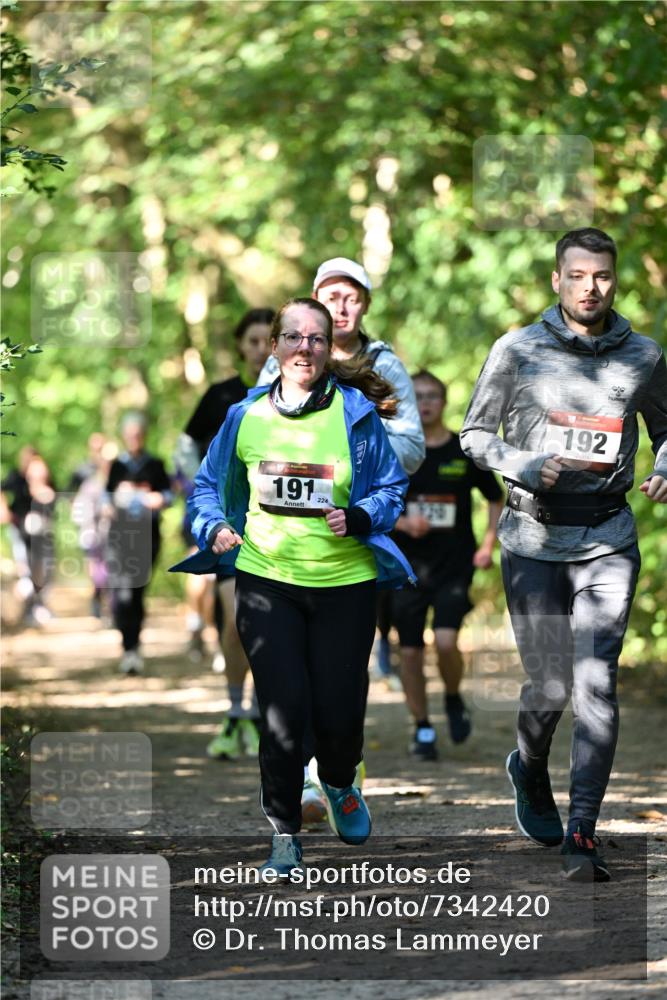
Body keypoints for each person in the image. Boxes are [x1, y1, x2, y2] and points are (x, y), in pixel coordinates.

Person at [173, 297, 414, 875]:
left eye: (316, 338)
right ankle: (284, 832)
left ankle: (339, 781)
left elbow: (391, 487)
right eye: (294, 337)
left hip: (345, 584)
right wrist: (215, 526)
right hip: (267, 581)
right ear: (275, 346)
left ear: (329, 349)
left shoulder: (357, 414)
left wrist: (361, 516)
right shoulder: (246, 415)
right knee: (282, 711)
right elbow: (205, 487)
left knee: (339, 713)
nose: (304, 347)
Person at [460, 227, 667, 881]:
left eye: (600, 275)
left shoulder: (644, 355)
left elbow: (666, 428)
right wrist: (521, 463)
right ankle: (528, 766)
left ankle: (582, 831)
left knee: (596, 683)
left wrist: (665, 465)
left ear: (614, 279)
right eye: (576, 275)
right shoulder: (516, 349)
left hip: (608, 537)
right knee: (549, 684)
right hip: (532, 538)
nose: (589, 287)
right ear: (557, 280)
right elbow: (473, 435)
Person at [258, 259, 425, 816]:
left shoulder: (384, 365)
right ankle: (308, 778)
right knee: (290, 668)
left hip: (354, 534)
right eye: (332, 296)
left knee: (340, 669)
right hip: (283, 540)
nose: (342, 306)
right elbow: (254, 430)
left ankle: (339, 768)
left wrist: (349, 445)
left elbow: (412, 449)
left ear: (365, 306)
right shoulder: (282, 359)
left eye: (352, 297)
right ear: (315, 301)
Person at [175, 308, 274, 758]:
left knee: (272, 627)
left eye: (267, 340)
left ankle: (263, 714)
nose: (260, 349)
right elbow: (185, 446)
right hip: (232, 529)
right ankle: (236, 714)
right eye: (252, 341)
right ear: (240, 346)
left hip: (284, 531)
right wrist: (205, 492)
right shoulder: (220, 396)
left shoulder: (294, 396)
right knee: (236, 621)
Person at [392, 371, 503, 760]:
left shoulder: (463, 451)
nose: (424, 403)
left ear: (443, 402)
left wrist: (488, 544)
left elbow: (495, 497)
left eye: (432, 396)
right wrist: (403, 523)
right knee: (409, 652)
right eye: (417, 396)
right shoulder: (397, 451)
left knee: (445, 640)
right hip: (405, 566)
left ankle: (453, 697)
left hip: (454, 564)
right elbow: (369, 502)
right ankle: (422, 727)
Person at [106, 412, 172, 675]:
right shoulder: (117, 466)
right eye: (130, 434)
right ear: (124, 436)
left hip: (148, 537)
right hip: (120, 538)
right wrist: (113, 503)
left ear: (144, 435)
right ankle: (128, 648)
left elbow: (168, 496)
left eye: (138, 434)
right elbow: (106, 498)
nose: (134, 438)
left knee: (137, 591)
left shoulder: (155, 464)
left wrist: (151, 498)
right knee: (123, 592)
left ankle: (134, 646)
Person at [1, 450, 57, 626]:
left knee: (43, 571)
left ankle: (37, 607)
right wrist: (4, 511)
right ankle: (29, 609)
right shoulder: (15, 480)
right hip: (22, 536)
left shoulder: (47, 489)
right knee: (26, 572)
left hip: (42, 539)